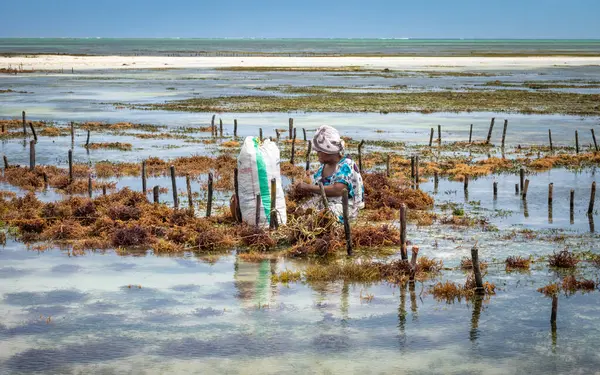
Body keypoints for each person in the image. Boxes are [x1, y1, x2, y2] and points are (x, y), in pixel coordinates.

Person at [297, 125, 364, 222]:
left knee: (323, 217)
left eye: (319, 151)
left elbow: (338, 190)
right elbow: (319, 190)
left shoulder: (346, 165)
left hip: (345, 206)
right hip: (326, 203)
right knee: (301, 210)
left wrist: (308, 187)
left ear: (328, 150)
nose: (317, 154)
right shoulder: (322, 168)